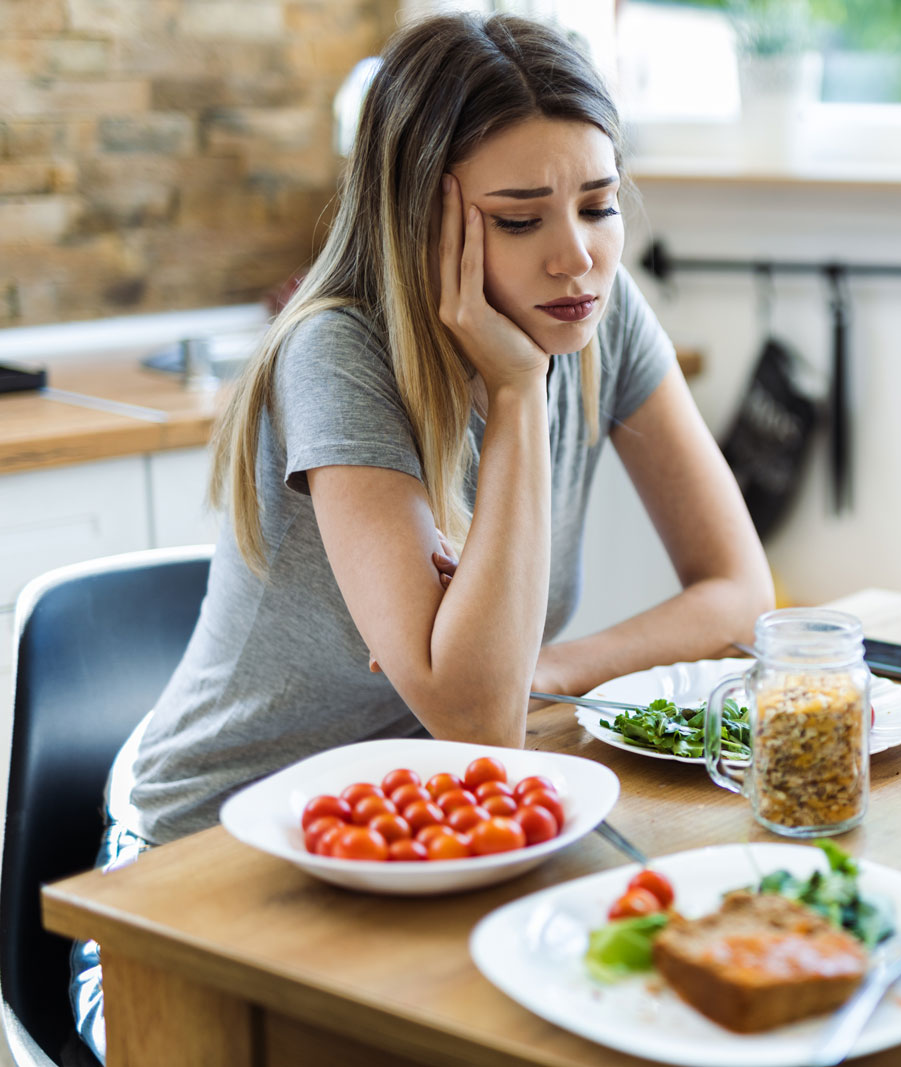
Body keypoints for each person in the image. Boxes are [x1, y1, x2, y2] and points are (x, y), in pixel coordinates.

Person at [66, 12, 772, 1062]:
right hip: (197, 874)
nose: (577, 255)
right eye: (519, 217)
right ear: (421, 219)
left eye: (599, 203)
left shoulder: (599, 308)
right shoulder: (337, 353)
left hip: (421, 826)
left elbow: (739, 592)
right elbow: (479, 718)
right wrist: (520, 397)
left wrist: (545, 664)